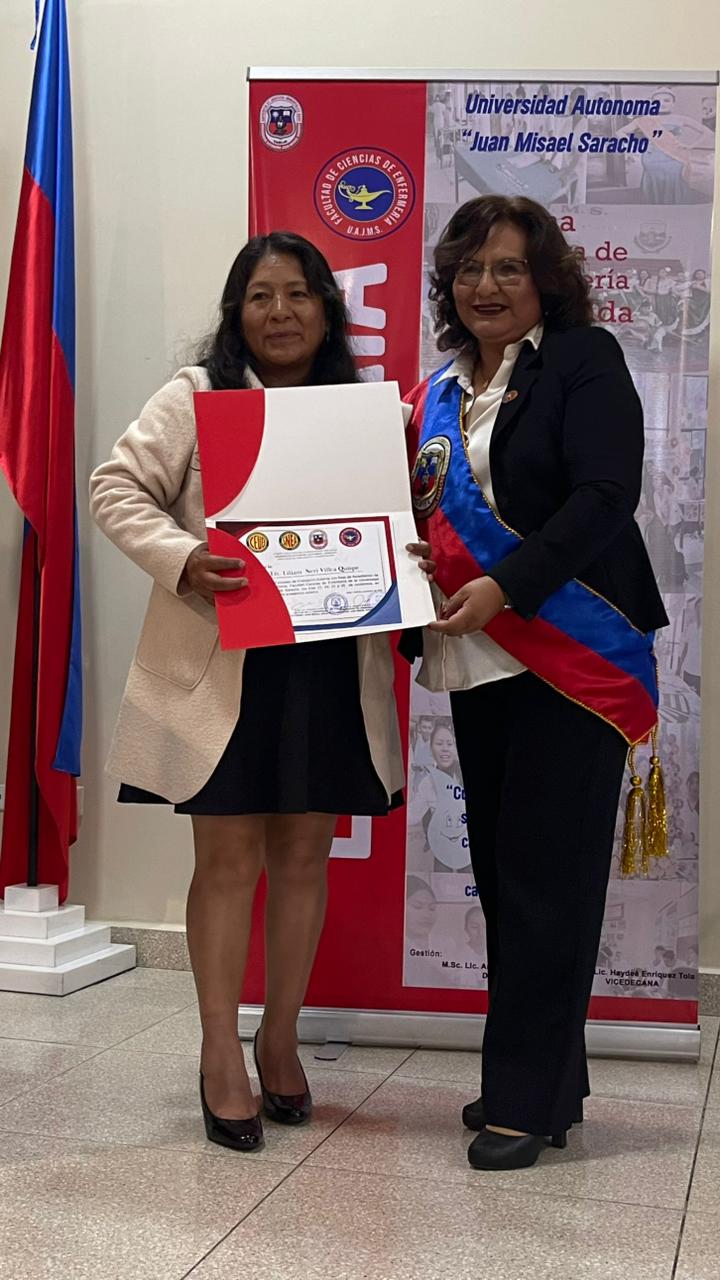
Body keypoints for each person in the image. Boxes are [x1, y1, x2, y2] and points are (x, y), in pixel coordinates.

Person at [90, 232, 404, 1153]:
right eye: (261, 296)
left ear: (328, 310)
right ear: (237, 313)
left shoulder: (362, 412)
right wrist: (184, 557)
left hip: (329, 661)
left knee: (303, 855)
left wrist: (408, 557)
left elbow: (398, 522)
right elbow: (115, 488)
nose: (280, 312)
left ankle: (280, 1037)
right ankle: (218, 1050)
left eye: (298, 294)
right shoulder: (197, 397)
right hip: (223, 665)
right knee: (227, 861)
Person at [405, 194, 668, 1170]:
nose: (487, 286)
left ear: (546, 279)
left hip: (570, 662)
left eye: (509, 267)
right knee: (510, 880)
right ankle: (544, 1079)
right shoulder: (438, 392)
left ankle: (523, 1096)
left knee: (547, 886)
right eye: (470, 269)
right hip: (479, 660)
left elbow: (606, 495)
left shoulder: (583, 361)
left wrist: (507, 584)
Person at [407, 721, 469, 872]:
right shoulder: (428, 783)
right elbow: (412, 816)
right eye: (439, 744)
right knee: (441, 882)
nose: (445, 749)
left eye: (449, 744)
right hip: (442, 850)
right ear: (431, 749)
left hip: (468, 852)